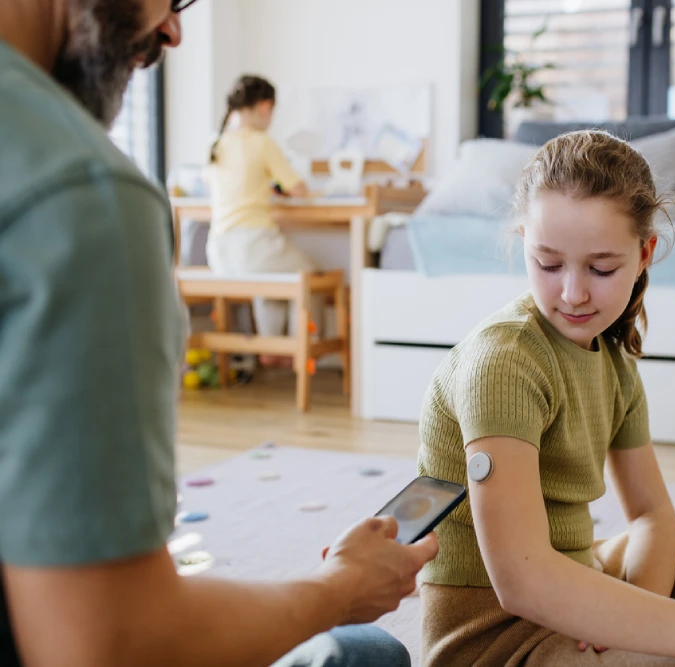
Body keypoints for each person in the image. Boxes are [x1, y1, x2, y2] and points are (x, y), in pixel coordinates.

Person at [0, 2, 435, 666]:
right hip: (260, 245)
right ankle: (305, 357)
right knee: (367, 651)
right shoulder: (84, 191)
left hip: (224, 246)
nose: (173, 30)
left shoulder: (215, 145)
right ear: (263, 108)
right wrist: (342, 587)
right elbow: (114, 644)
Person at [416, 130, 675, 666]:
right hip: (501, 635)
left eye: (602, 268)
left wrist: (636, 628)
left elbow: (653, 515)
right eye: (548, 264)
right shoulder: (505, 361)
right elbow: (521, 581)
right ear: (523, 241)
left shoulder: (612, 359)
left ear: (644, 253)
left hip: (573, 578)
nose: (573, 293)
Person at [205, 74, 325, 364]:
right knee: (311, 275)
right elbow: (298, 189)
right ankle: (300, 349)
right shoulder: (262, 143)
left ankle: (271, 347)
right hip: (252, 244)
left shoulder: (218, 143)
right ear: (264, 107)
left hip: (219, 251)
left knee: (273, 276)